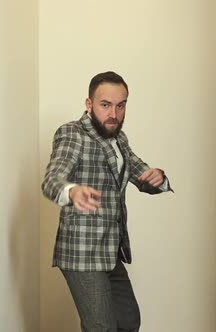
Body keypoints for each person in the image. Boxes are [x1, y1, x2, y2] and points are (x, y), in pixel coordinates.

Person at [41, 71, 173, 332]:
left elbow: (140, 173)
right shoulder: (72, 133)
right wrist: (72, 191)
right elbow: (51, 180)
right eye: (105, 105)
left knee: (128, 321)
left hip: (111, 251)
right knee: (101, 327)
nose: (114, 113)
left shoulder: (119, 139)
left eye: (120, 105)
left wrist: (158, 178)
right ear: (89, 104)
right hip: (81, 253)